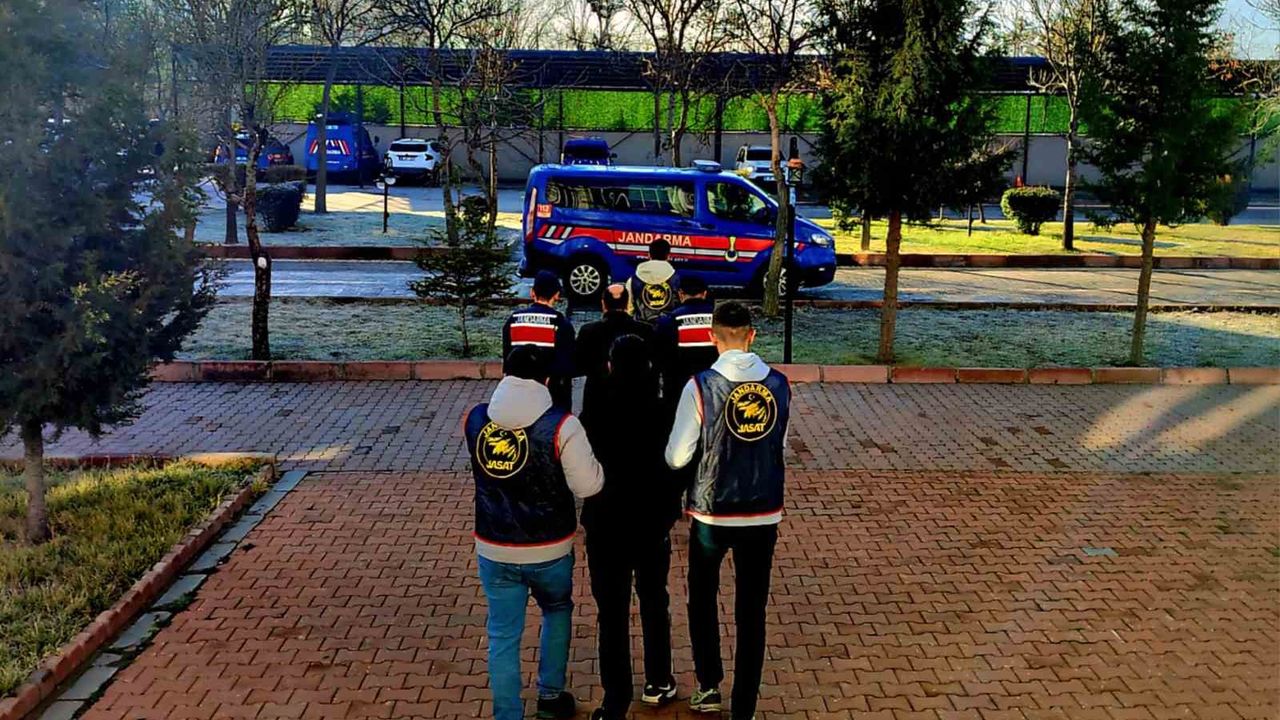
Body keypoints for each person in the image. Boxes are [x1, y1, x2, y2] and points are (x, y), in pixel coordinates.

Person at [464, 346, 605, 720]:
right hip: (549, 546)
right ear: (547, 380)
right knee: (556, 610)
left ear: (504, 374)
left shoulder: (475, 419)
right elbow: (587, 486)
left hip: (494, 544)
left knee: (502, 633)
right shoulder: (562, 425)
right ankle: (550, 696)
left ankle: (507, 713)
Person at [664, 302, 790, 720]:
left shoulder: (700, 386)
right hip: (763, 510)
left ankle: (708, 685)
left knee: (702, 598)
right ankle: (745, 706)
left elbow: (677, 456)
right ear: (752, 335)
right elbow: (779, 443)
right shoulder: (779, 384)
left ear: (711, 337)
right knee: (752, 610)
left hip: (712, 511)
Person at [579, 335, 683, 720]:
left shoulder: (594, 414)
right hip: (651, 523)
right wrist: (670, 505)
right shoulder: (663, 411)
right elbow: (678, 463)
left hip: (606, 522)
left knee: (611, 611)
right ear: (648, 367)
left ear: (611, 366)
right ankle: (658, 679)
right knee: (654, 600)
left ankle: (615, 698)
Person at [573, 283, 652, 424]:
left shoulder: (588, 331)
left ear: (603, 304)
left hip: (598, 404)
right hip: (637, 403)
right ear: (627, 304)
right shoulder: (645, 331)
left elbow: (578, 365)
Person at [503, 271, 575, 411]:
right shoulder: (561, 323)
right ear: (557, 295)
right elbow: (564, 364)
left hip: (518, 393)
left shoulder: (514, 320)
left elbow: (507, 360)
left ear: (532, 293)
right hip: (550, 396)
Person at [652, 275, 717, 414]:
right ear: (704, 294)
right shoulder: (719, 319)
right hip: (713, 388)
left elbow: (660, 358)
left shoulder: (669, 320)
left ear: (681, 294)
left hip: (679, 390)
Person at [627, 239, 680, 324]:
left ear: (649, 255)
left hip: (641, 328)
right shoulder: (677, 279)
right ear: (668, 256)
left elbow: (629, 309)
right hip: (668, 328)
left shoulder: (633, 280)